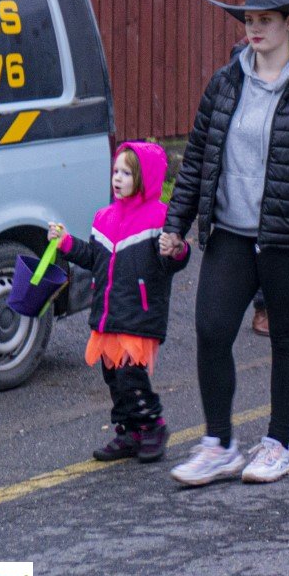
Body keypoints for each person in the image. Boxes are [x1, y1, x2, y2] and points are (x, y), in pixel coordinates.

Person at [165, 0, 289, 486]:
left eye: (265, 18)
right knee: (213, 330)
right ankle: (220, 443)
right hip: (230, 235)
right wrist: (176, 223)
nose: (254, 26)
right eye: (248, 18)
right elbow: (196, 157)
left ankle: (278, 443)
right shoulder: (225, 83)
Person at [48, 142, 188, 463]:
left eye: (127, 172)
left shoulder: (159, 219)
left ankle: (153, 425)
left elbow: (172, 262)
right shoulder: (104, 218)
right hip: (108, 315)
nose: (118, 178)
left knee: (130, 376)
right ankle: (130, 431)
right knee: (113, 378)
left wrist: (177, 250)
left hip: (139, 315)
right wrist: (66, 242)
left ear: (145, 177)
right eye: (116, 171)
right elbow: (93, 259)